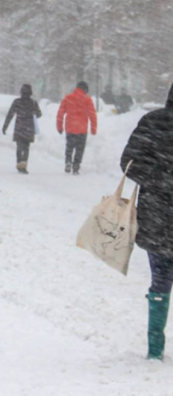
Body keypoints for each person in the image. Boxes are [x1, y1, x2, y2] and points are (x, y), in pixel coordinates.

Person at [120, 83, 173, 360]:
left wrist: (158, 178)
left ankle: (155, 348)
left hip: (157, 217)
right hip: (159, 216)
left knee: (161, 281)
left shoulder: (152, 122)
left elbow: (128, 163)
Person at [56, 81, 98, 175]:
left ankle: (68, 161)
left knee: (69, 147)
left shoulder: (68, 98)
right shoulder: (87, 99)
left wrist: (59, 126)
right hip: (82, 129)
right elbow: (92, 115)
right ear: (85, 90)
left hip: (70, 128)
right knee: (80, 149)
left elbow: (60, 113)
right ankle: (76, 166)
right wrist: (93, 128)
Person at [2, 84, 42, 174]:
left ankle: (19, 163)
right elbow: (39, 114)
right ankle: (24, 164)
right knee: (26, 147)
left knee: (19, 147)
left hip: (19, 127)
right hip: (29, 128)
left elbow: (10, 114)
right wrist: (34, 112)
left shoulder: (17, 102)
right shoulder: (33, 102)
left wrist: (5, 126)